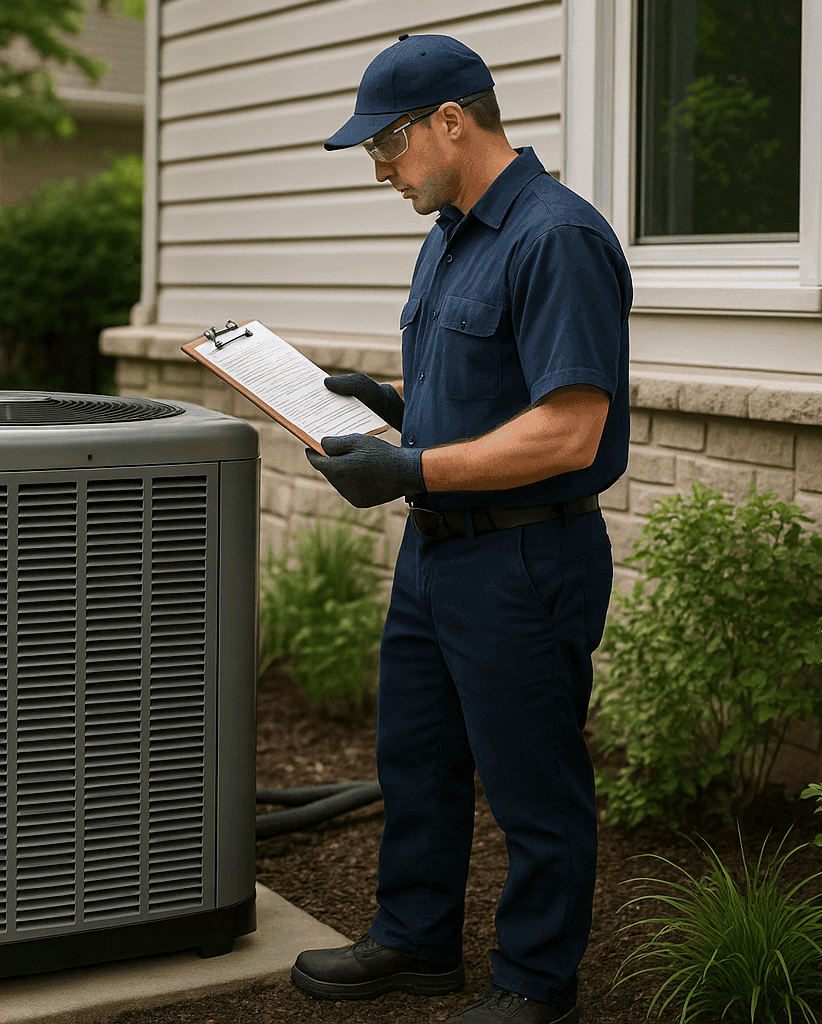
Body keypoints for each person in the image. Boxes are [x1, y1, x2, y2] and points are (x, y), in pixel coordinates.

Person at [289, 33, 631, 1024]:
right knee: (418, 758)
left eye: (387, 146)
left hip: (527, 556)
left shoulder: (555, 238)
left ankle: (533, 983)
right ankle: (417, 938)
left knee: (537, 785)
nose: (382, 170)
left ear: (451, 120)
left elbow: (571, 428)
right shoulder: (449, 233)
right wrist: (393, 403)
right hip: (437, 554)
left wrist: (411, 468)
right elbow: (488, 393)